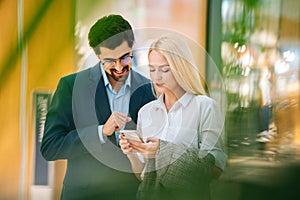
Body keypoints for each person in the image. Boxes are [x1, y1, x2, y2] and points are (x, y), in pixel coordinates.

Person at [40, 14, 156, 200]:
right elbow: (51, 147)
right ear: (97, 55)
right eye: (110, 60)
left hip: (130, 194)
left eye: (125, 57)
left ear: (132, 47)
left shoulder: (149, 90)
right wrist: (101, 132)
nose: (119, 67)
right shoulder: (71, 87)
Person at [120, 35, 227, 200]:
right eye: (152, 69)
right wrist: (132, 153)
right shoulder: (146, 112)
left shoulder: (205, 107)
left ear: (181, 68)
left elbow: (216, 169)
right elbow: (143, 175)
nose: (156, 77)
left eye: (164, 69)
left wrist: (162, 151)